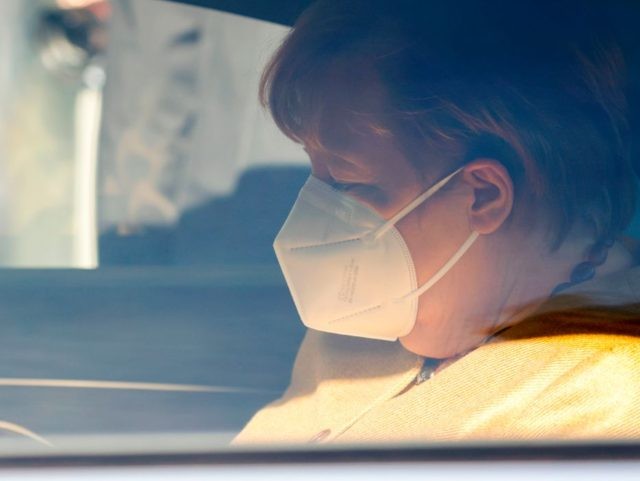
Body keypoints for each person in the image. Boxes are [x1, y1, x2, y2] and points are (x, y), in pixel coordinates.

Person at [234, 0, 640, 444]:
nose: (314, 218)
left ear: (483, 194)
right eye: (315, 174)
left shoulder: (602, 408)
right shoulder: (359, 326)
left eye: (348, 183)